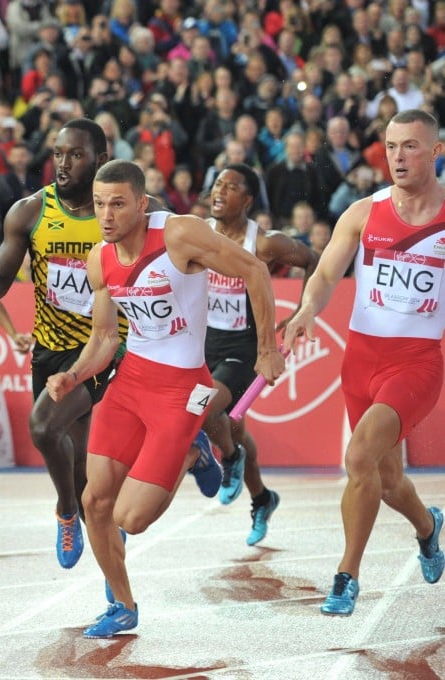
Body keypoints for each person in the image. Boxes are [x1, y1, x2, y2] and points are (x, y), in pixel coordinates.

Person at [0, 118, 211, 572]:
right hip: (52, 348)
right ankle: (100, 524)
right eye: (58, 154)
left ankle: (67, 513)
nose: (63, 163)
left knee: (42, 427)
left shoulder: (128, 214)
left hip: (112, 347)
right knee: (78, 463)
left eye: (75, 155)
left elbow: (172, 262)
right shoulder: (29, 213)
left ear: (100, 159)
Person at [46, 159, 284, 638]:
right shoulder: (100, 259)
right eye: (99, 204)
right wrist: (73, 374)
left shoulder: (179, 235)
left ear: (141, 204)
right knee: (95, 501)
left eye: (117, 204)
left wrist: (267, 349)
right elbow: (105, 338)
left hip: (183, 389)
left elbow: (255, 270)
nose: (106, 215)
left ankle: (194, 451)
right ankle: (123, 606)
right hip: (131, 382)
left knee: (131, 518)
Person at [284, 109, 445, 617]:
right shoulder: (362, 212)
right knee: (388, 479)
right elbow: (325, 275)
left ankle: (346, 575)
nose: (398, 156)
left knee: (357, 459)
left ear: (436, 151)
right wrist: (307, 309)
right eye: (391, 146)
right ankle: (428, 527)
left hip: (416, 364)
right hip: (360, 361)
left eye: (411, 146)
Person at [203, 165, 318, 545]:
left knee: (206, 410)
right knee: (234, 429)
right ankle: (262, 499)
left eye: (231, 187)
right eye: (218, 184)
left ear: (248, 200)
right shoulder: (198, 232)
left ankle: (229, 458)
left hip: (245, 349)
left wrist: (302, 310)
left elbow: (313, 261)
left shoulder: (265, 243)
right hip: (204, 344)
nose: (220, 191)